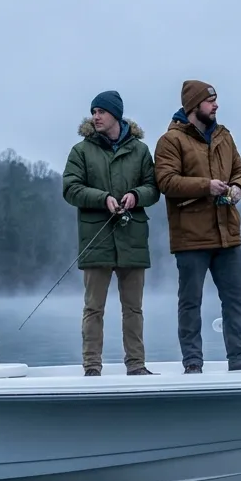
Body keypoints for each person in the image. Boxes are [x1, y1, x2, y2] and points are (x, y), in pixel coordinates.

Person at [153, 80, 241, 372]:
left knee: (235, 301)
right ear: (194, 106)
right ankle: (193, 362)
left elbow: (240, 172)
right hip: (191, 238)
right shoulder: (170, 141)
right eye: (210, 101)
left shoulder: (224, 136)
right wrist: (207, 186)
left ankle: (240, 359)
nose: (216, 105)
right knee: (190, 303)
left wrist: (238, 190)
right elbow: (166, 182)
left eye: (216, 100)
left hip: (227, 234)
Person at [62, 90, 161, 377]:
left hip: (132, 239)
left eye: (101, 112)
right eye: (93, 112)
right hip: (97, 239)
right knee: (93, 309)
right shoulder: (80, 151)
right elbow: (70, 188)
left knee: (134, 310)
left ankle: (136, 365)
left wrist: (135, 195)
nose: (96, 117)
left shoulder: (140, 150)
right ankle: (92, 367)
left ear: (115, 114)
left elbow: (153, 188)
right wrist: (102, 198)